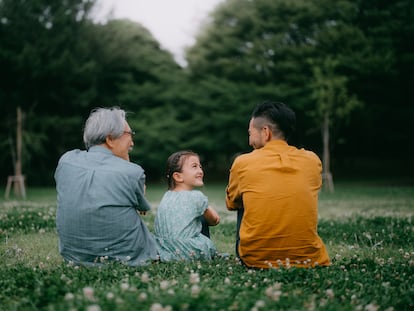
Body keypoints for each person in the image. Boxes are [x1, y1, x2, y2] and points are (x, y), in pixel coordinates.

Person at [225, 101, 330, 269]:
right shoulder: (312, 160)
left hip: (256, 260)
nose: (249, 140)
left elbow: (231, 204)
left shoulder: (243, 162)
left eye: (250, 133)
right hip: (309, 259)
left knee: (242, 201)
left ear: (265, 132)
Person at [54, 107, 158, 266]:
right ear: (110, 139)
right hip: (127, 258)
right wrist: (127, 164)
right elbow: (142, 207)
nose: (132, 142)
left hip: (73, 257)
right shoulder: (132, 172)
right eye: (129, 134)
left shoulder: (66, 161)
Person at [154, 150, 220, 261]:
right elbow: (215, 220)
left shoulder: (167, 195)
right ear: (178, 177)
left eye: (200, 166)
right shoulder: (196, 196)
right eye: (194, 166)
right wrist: (207, 206)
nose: (200, 171)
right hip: (188, 250)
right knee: (203, 220)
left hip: (163, 248)